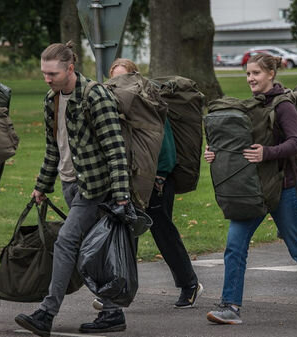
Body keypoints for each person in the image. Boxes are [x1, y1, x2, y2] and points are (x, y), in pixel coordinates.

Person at [204, 54, 297, 324]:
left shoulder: (284, 104)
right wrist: (216, 152)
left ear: (271, 74)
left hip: (284, 188)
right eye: (248, 73)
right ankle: (230, 306)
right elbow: (241, 143)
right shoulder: (251, 105)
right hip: (253, 189)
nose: (250, 78)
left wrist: (267, 153)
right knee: (235, 245)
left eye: (256, 73)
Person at [14, 41, 131, 336]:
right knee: (93, 249)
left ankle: (46, 313)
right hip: (69, 185)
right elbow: (53, 148)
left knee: (66, 242)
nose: (47, 79)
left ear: (70, 68)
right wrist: (42, 186)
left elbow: (116, 150)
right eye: (44, 73)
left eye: (52, 73)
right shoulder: (50, 100)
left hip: (94, 188)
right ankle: (112, 312)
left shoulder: (96, 97)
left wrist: (121, 195)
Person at [106, 58, 203, 308]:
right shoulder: (113, 108)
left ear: (136, 80)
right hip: (128, 181)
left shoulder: (152, 106)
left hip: (157, 182)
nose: (119, 85)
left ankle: (189, 284)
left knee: (163, 233)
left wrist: (159, 177)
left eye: (124, 79)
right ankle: (120, 292)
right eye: (114, 80)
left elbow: (167, 149)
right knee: (127, 235)